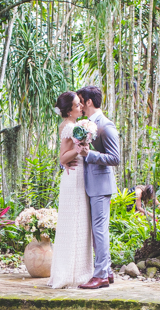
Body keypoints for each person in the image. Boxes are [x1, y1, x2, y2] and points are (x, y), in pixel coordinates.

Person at [75, 85, 121, 289]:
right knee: (96, 231)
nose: (79, 106)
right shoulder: (85, 124)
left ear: (89, 102)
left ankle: (101, 275)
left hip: (101, 186)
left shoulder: (105, 126)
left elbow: (115, 158)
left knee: (99, 231)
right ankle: (107, 271)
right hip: (89, 184)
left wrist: (90, 155)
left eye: (81, 101)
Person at [48, 91, 94, 290]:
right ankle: (72, 275)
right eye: (77, 105)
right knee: (74, 223)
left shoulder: (72, 125)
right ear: (69, 111)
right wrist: (79, 149)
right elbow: (62, 158)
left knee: (78, 222)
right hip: (74, 177)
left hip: (76, 175)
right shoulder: (69, 127)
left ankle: (76, 271)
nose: (80, 107)